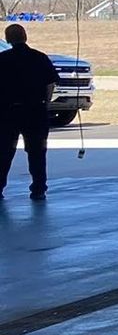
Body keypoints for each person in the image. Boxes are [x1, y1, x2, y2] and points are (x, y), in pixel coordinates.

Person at [0, 22, 59, 203]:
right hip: (35, 112)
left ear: (8, 39)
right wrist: (46, 102)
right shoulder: (39, 58)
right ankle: (38, 189)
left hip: (8, 113)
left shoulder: (2, 59)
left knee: (4, 152)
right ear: (25, 37)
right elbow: (50, 84)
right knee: (37, 152)